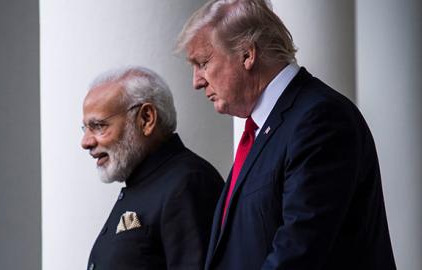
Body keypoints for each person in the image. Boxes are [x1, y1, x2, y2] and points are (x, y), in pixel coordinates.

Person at [176, 0, 396, 269]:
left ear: (247, 54)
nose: (196, 81)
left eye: (203, 63)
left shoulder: (321, 119)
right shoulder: (265, 128)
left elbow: (298, 253)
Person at [81, 66, 224, 270]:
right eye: (85, 128)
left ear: (146, 118)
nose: (85, 142)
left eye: (98, 126)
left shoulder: (187, 182)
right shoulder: (147, 182)